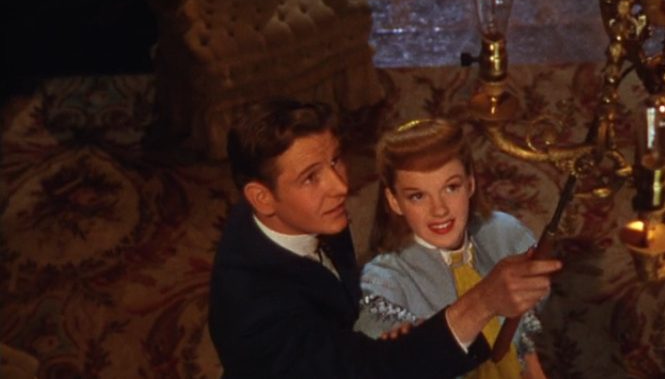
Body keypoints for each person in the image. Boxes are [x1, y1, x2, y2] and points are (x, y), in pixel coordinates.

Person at [208, 99, 561, 379]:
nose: (340, 186)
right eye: (311, 177)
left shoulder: (300, 212)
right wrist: (482, 302)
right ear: (262, 198)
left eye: (335, 161)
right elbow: (366, 372)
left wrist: (395, 337)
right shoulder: (254, 315)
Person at [357, 118, 548, 379]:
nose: (439, 210)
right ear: (394, 201)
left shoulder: (504, 235)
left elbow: (524, 347)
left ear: (470, 183)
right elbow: (387, 363)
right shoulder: (385, 280)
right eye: (418, 196)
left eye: (451, 187)